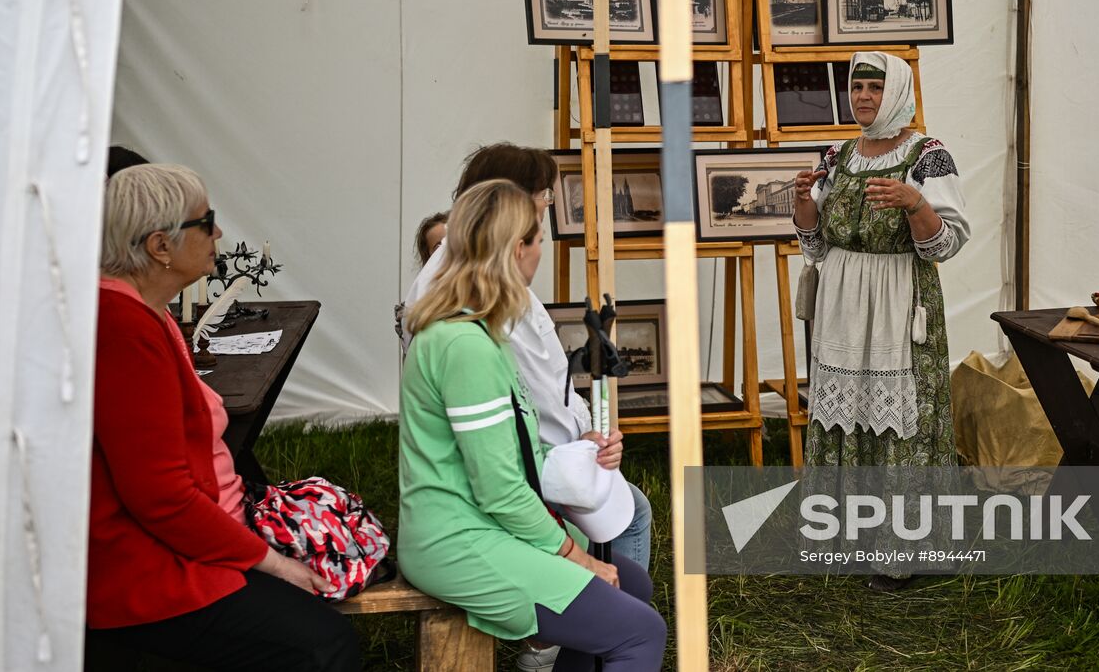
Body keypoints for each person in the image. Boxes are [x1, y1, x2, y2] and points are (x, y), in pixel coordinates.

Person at [87, 164, 360, 671]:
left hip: (181, 541)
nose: (217, 233)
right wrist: (269, 561)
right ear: (159, 247)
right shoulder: (123, 328)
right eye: (205, 221)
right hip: (147, 569)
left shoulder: (144, 311)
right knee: (321, 646)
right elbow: (160, 499)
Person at [399, 180, 666, 671]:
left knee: (634, 586)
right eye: (539, 239)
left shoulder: (480, 331)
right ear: (516, 250)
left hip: (480, 523)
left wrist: (581, 450)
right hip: (459, 539)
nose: (542, 251)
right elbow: (499, 490)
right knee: (641, 632)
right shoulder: (465, 347)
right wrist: (576, 557)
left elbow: (514, 455)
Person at [792, 51, 969, 586]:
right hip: (843, 303)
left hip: (899, 301)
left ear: (895, 92)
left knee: (901, 423)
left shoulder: (928, 155)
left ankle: (903, 552)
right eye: (856, 86)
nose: (863, 96)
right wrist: (802, 201)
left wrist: (915, 203)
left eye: (873, 87)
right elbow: (815, 239)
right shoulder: (838, 154)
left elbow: (946, 242)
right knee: (843, 415)